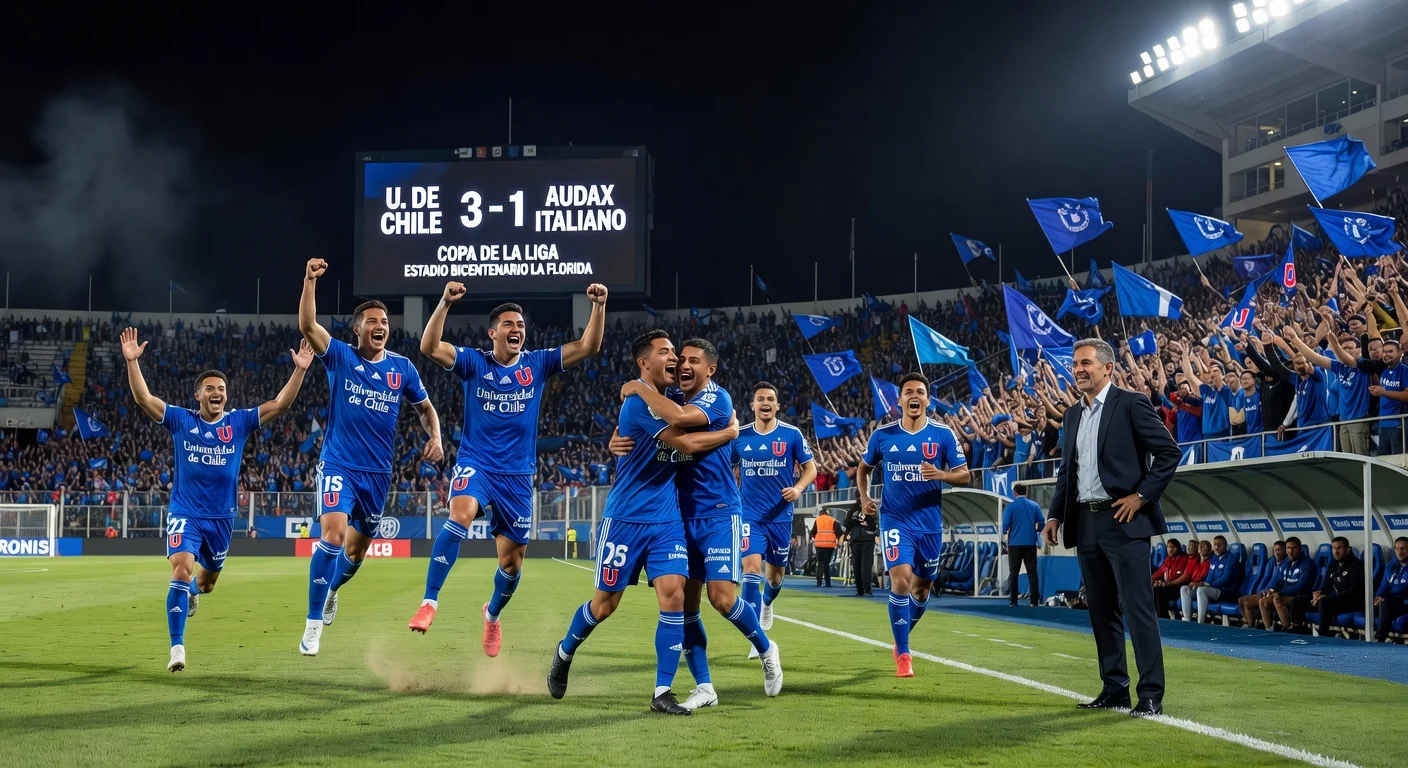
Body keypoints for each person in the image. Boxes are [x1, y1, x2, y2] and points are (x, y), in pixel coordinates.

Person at [546, 330, 742, 715]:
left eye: (677, 354)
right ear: (644, 362)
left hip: (667, 520)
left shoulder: (666, 399)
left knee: (674, 596)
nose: (676, 360)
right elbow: (684, 444)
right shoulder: (638, 405)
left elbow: (685, 422)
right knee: (604, 606)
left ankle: (661, 692)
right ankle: (565, 651)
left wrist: (618, 430)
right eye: (667, 352)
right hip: (625, 519)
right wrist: (731, 431)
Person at [410, 280, 607, 655]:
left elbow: (588, 346)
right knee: (460, 514)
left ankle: (492, 616)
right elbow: (429, 346)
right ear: (493, 332)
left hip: (517, 476)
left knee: (512, 565)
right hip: (476, 463)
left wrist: (598, 307)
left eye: (520, 325)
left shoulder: (538, 362)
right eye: (508, 324)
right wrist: (445, 303)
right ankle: (429, 602)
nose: (517, 329)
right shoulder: (473, 362)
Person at [121, 327, 312, 672]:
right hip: (186, 513)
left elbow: (281, 404)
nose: (217, 393)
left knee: (206, 584)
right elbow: (144, 400)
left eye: (221, 389)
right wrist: (133, 363)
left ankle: (194, 591)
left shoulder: (238, 422)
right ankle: (177, 648)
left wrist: (299, 368)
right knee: (181, 568)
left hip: (221, 520)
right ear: (198, 395)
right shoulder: (182, 420)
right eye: (210, 388)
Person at [609, 339, 783, 709]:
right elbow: (652, 425)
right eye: (679, 360)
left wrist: (637, 387)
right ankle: (705, 686)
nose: (682, 365)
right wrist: (618, 437)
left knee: (721, 598)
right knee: (686, 609)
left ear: (710, 370)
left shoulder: (716, 400)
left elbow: (681, 423)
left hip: (719, 512)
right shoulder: (672, 396)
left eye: (692, 361)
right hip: (679, 515)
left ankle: (767, 650)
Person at [296, 259, 443, 657]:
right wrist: (310, 281)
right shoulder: (341, 356)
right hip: (338, 464)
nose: (381, 325)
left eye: (385, 321)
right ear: (357, 328)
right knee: (333, 535)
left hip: (378, 475)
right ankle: (312, 626)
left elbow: (426, 408)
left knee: (357, 553)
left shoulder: (402, 368)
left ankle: (331, 591)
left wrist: (437, 436)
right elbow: (309, 326)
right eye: (372, 320)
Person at [1042, 338, 1180, 718]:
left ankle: (1151, 693)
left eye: (1086, 363)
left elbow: (1169, 452)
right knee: (1101, 610)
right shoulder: (1072, 415)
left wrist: (1141, 497)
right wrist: (1055, 515)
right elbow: (1067, 473)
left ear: (1107, 368)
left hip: (1125, 521)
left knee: (1138, 610)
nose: (1079, 369)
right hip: (1085, 522)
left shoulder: (1131, 403)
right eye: (1075, 364)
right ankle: (1114, 688)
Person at [858, 373, 970, 678]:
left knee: (921, 592)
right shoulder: (883, 435)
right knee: (901, 581)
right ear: (900, 401)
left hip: (929, 524)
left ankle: (902, 635)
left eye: (920, 392)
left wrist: (941, 475)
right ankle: (904, 655)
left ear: (928, 400)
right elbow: (863, 468)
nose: (914, 396)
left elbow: (964, 475)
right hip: (895, 519)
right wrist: (865, 496)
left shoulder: (943, 434)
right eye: (908, 392)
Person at [733, 382, 815, 641]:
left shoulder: (791, 435)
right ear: (753, 405)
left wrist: (798, 488)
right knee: (750, 571)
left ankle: (767, 603)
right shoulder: (740, 436)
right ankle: (754, 635)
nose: (765, 403)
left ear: (777, 406)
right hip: (750, 516)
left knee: (775, 577)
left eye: (770, 399)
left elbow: (810, 469)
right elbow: (723, 468)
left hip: (780, 516)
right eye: (760, 399)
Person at [1245, 537, 1316, 632]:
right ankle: (1269, 630)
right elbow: (1278, 580)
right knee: (1263, 601)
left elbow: (1301, 587)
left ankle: (1286, 629)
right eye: (1288, 548)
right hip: (1285, 594)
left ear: (1300, 549)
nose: (1290, 551)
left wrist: (1280, 592)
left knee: (1277, 599)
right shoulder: (1286, 563)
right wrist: (1269, 590)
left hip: (1300, 596)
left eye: (1294, 548)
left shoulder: (1308, 563)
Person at [1000, 484, 1044, 607]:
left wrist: (1005, 537)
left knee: (1014, 572)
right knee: (1032, 572)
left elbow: (1005, 527)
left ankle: (1013, 601)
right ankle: (1034, 601)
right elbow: (1041, 523)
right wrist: (1035, 529)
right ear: (1026, 491)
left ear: (1014, 493)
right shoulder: (1034, 505)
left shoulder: (1011, 507)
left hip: (1014, 544)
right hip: (1030, 543)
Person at [1312, 536, 1364, 637]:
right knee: (1300, 601)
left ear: (1348, 549)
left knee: (1325, 601)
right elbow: (1326, 585)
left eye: (1339, 548)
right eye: (1333, 548)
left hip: (1350, 602)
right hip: (1334, 600)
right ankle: (1296, 633)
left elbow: (1353, 590)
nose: (1336, 551)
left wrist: (1329, 596)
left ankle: (1323, 635)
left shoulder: (1356, 565)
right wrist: (1318, 594)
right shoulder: (1333, 565)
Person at [1182, 536, 1236, 624]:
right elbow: (1210, 576)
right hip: (1212, 589)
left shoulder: (1231, 558)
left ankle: (1200, 622)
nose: (1217, 547)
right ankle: (1187, 619)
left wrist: (1205, 584)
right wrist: (1200, 583)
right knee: (1185, 588)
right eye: (1215, 545)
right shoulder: (1214, 558)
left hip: (1225, 591)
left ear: (1225, 545)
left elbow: (1225, 579)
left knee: (1201, 590)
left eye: (1220, 545)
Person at [1374, 537, 1408, 643]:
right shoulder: (1391, 566)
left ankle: (1380, 639)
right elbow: (1384, 586)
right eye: (1397, 549)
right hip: (1391, 602)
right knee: (1372, 602)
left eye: (1403, 549)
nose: (1399, 552)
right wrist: (1378, 596)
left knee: (1386, 602)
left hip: (1404, 602)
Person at [1150, 539, 1193, 619]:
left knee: (1161, 592)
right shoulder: (1168, 559)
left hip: (1178, 587)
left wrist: (1170, 583)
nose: (1170, 549)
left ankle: (1162, 617)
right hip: (1168, 586)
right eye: (1168, 547)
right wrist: (1150, 580)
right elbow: (1160, 571)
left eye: (1173, 547)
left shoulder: (1184, 558)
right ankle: (1155, 616)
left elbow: (1185, 577)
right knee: (1154, 589)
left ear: (1178, 548)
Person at [844, 502, 877, 596]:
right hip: (864, 539)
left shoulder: (852, 511)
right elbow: (875, 524)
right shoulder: (870, 509)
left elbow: (847, 524)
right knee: (861, 567)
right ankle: (864, 590)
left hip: (859, 539)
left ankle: (863, 590)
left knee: (860, 566)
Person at [810, 510, 842, 587]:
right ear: (828, 513)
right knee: (826, 564)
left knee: (820, 563)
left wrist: (817, 538)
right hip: (830, 545)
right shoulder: (833, 520)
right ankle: (828, 582)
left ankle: (819, 581)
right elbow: (839, 533)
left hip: (819, 545)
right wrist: (838, 543)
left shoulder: (817, 520)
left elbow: (813, 532)